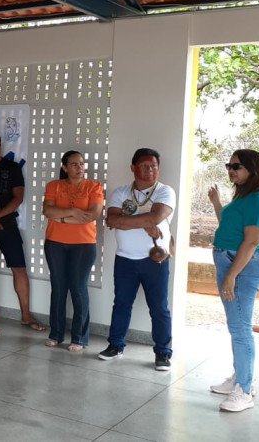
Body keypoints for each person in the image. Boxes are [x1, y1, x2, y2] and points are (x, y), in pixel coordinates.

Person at [208, 149, 259, 412]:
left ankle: (244, 390)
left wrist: (231, 276)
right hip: (230, 262)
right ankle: (239, 377)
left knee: (241, 329)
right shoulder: (243, 197)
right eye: (229, 165)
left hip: (242, 267)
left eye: (237, 166)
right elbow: (228, 227)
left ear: (253, 170)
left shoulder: (258, 199)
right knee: (236, 326)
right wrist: (216, 204)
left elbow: (252, 241)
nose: (231, 170)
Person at [100, 148, 175, 371]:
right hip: (125, 259)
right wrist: (144, 223)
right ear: (133, 167)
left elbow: (156, 216)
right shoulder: (121, 192)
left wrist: (133, 220)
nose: (150, 169)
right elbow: (111, 220)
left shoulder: (165, 191)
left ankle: (162, 353)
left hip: (155, 260)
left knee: (159, 308)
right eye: (145, 165)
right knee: (121, 304)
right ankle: (115, 346)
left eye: (154, 166)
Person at [0, 131, 45, 331]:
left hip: (6, 222)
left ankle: (25, 315)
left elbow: (18, 198)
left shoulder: (12, 166)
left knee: (19, 267)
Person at [41, 150, 104, 352]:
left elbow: (93, 215)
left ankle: (79, 337)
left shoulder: (94, 186)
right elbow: (47, 211)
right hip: (55, 243)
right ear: (64, 167)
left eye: (82, 163)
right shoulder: (54, 186)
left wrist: (60, 218)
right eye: (74, 164)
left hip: (84, 245)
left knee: (78, 288)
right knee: (58, 288)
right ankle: (56, 334)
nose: (80, 168)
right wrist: (74, 212)